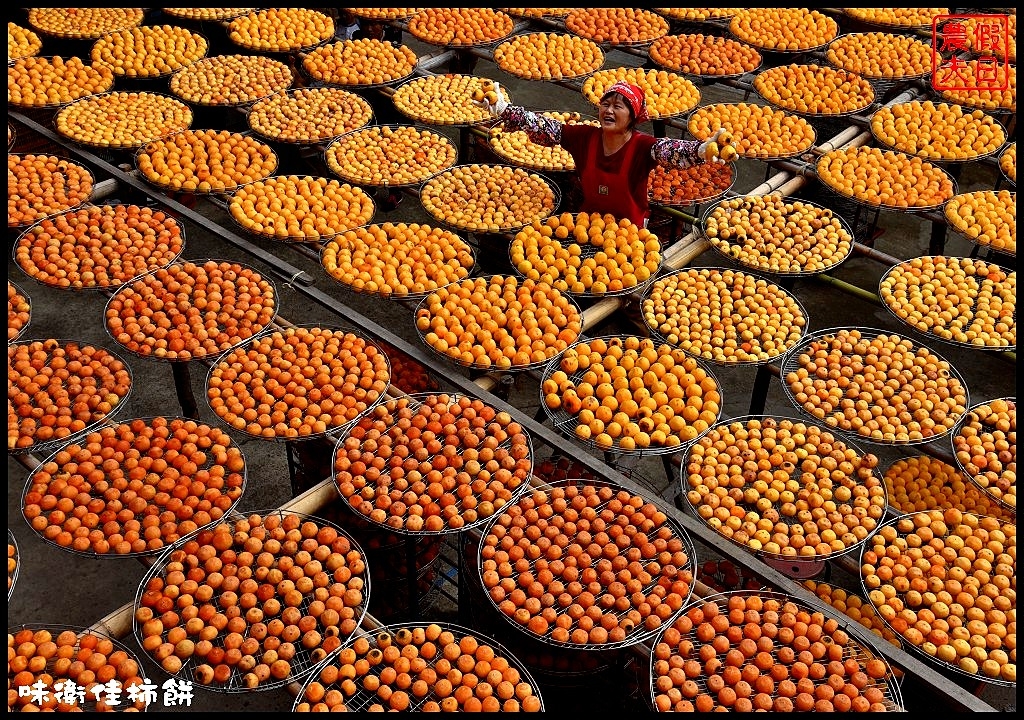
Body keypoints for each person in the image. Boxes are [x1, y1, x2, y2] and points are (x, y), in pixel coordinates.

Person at [473, 80, 734, 228]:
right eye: (605, 104)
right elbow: (545, 128)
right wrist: (505, 110)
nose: (609, 111)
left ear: (632, 116)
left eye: (618, 106)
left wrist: (701, 150)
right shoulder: (584, 137)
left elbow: (673, 152)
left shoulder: (644, 146)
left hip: (629, 231)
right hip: (590, 223)